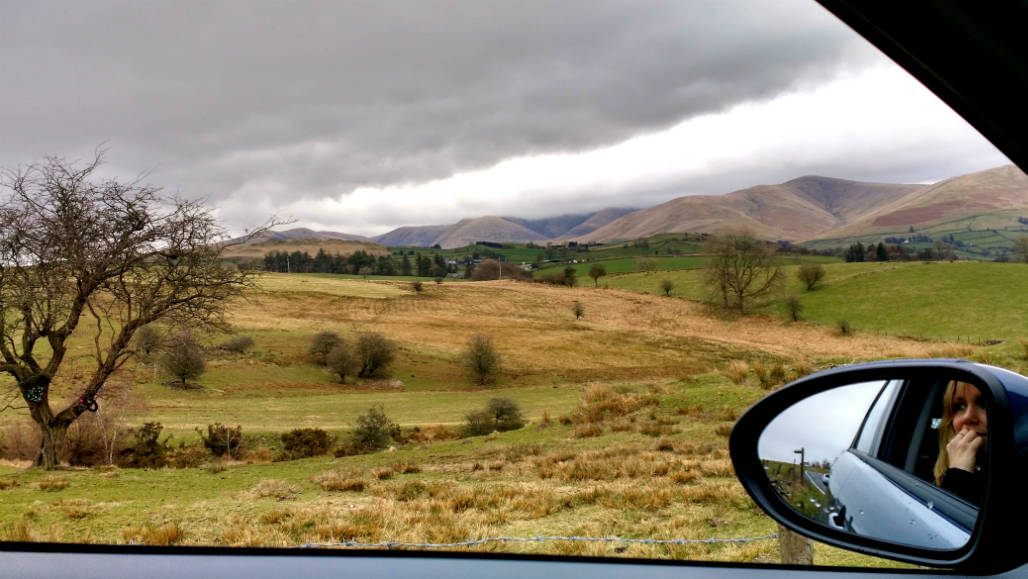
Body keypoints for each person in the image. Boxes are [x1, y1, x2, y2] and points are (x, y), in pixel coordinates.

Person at [933, 380, 987, 503]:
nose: (967, 417)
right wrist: (958, 473)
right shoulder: (940, 473)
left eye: (984, 404)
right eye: (960, 406)